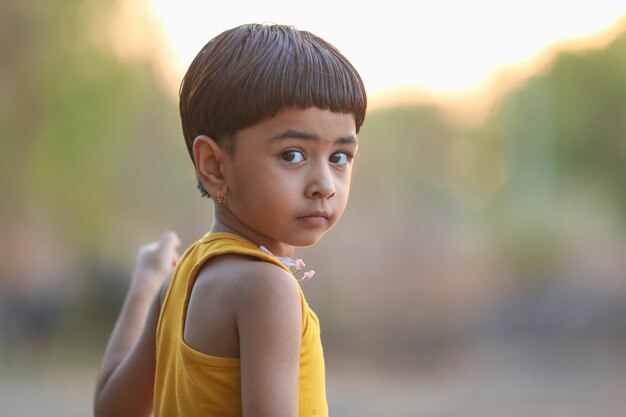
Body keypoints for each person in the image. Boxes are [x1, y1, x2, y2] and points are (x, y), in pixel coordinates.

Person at [94, 23, 367, 417]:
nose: (324, 185)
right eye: (292, 154)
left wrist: (146, 284)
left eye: (339, 157)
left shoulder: (178, 282)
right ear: (214, 166)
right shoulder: (266, 288)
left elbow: (111, 409)